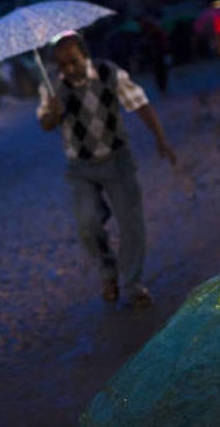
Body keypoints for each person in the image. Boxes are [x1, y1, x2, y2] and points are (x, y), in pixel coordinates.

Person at [37, 32, 176, 308]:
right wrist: (52, 112)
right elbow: (46, 124)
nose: (69, 70)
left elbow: (139, 103)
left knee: (132, 224)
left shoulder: (109, 72)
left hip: (117, 159)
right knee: (88, 225)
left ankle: (133, 283)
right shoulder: (52, 86)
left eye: (73, 62)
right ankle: (107, 273)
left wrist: (161, 139)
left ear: (85, 56)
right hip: (80, 167)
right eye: (62, 65)